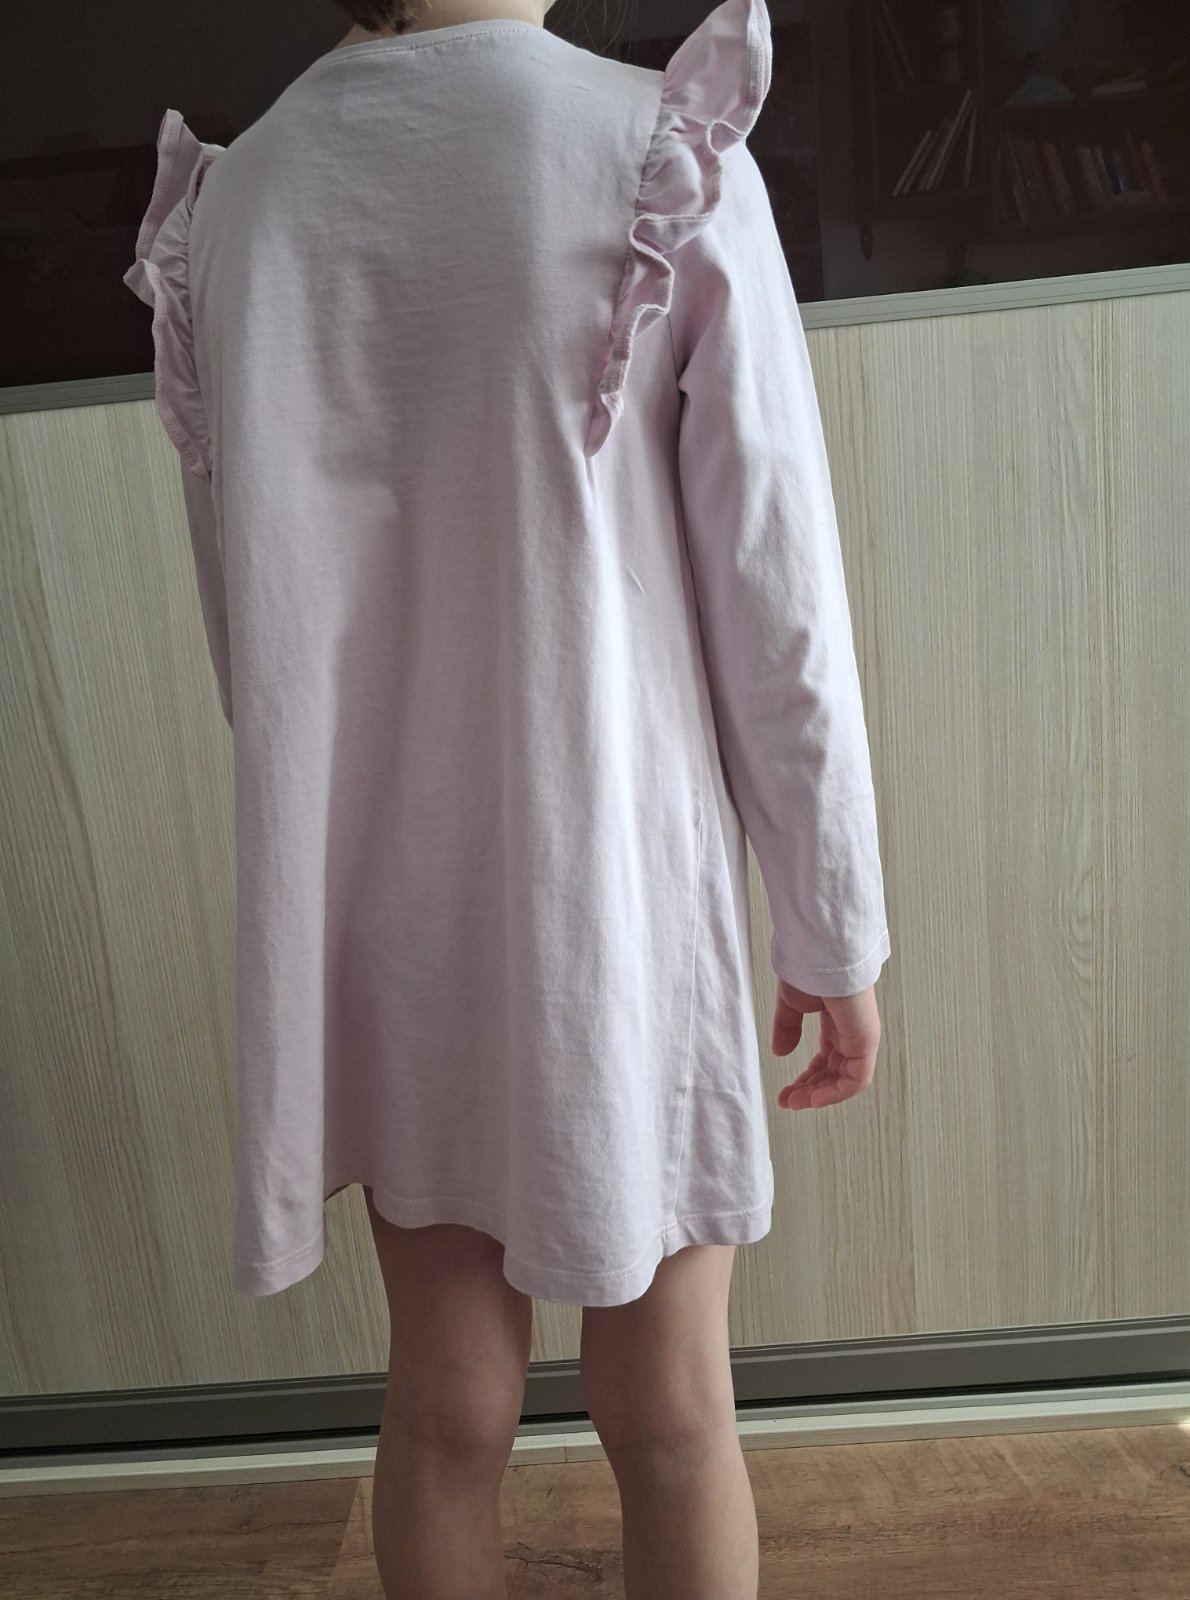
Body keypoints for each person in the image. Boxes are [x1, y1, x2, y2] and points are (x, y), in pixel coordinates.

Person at [122, 0, 889, 1594]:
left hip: (382, 908)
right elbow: (779, 599)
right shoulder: (659, 150)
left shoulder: (238, 202)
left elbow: (250, 634)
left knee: (445, 1399)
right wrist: (832, 922)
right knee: (670, 1406)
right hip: (614, 887)